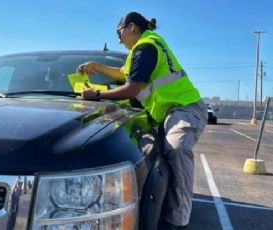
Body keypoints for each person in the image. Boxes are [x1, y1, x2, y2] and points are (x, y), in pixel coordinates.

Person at [77, 12, 207, 229]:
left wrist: (97, 95)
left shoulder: (146, 47)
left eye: (119, 33)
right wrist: (97, 66)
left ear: (131, 27)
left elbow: (132, 88)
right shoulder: (140, 50)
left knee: (176, 149)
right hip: (169, 112)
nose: (119, 39)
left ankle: (179, 219)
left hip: (184, 108)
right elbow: (123, 73)